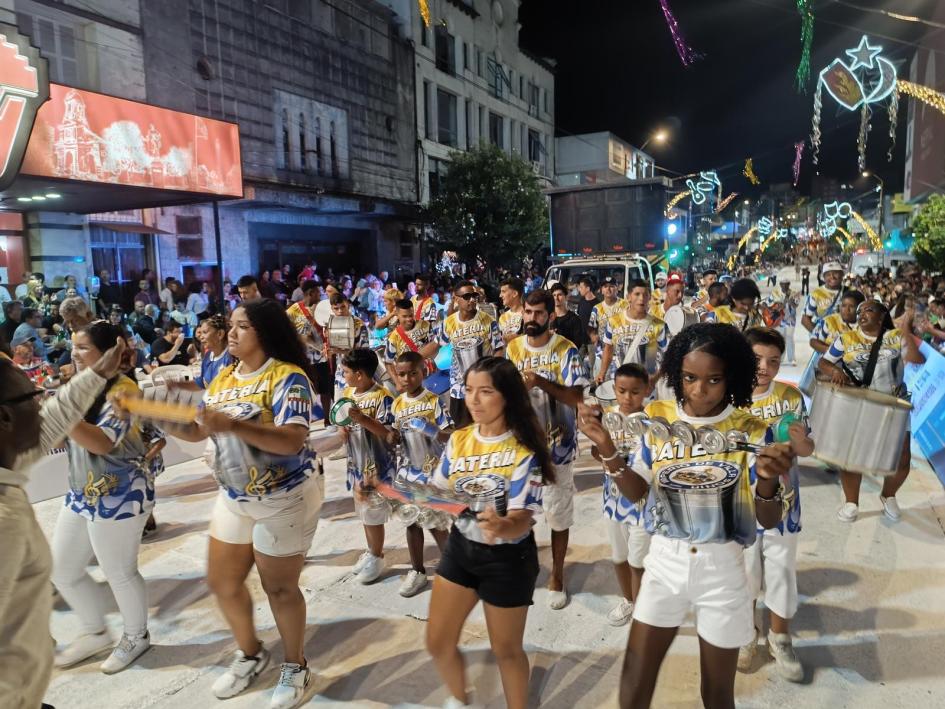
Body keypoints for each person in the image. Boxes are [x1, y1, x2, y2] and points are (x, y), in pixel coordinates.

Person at [577, 323, 794, 708]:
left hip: (724, 570)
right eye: (690, 377)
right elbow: (639, 492)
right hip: (663, 563)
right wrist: (608, 449)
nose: (699, 390)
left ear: (731, 378)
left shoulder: (751, 431)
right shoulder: (657, 418)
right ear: (677, 373)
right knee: (633, 686)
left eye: (714, 379)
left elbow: (770, 518)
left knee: (716, 695)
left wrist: (766, 482)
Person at [166, 298, 321, 707]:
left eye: (242, 327)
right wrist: (161, 418)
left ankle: (296, 665)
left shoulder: (289, 378)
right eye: (230, 326)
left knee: (280, 589)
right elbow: (202, 433)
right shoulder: (224, 378)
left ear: (265, 333)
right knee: (222, 582)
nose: (231, 334)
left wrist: (233, 424)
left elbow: (292, 439)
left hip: (283, 497)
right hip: (234, 497)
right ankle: (252, 652)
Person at [0, 336, 126, 707]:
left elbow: (56, 417)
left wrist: (99, 372)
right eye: (34, 399)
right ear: (4, 418)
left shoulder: (9, 458)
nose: (43, 405)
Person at [426, 357, 553, 709]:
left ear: (508, 397)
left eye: (485, 392)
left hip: (508, 560)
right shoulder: (459, 440)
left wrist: (503, 525)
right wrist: (385, 491)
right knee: (437, 641)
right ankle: (460, 699)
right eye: (468, 391)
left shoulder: (525, 452)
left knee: (507, 652)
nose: (474, 400)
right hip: (461, 550)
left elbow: (522, 519)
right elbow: (438, 494)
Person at [51, 321, 162, 674]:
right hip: (81, 492)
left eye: (83, 347)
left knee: (119, 571)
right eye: (74, 347)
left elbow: (101, 441)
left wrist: (61, 411)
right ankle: (94, 631)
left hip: (121, 492)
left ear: (109, 352)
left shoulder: (125, 389)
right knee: (63, 570)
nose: (75, 354)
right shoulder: (79, 387)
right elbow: (61, 438)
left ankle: (136, 635)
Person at [505, 289, 588, 609]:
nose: (532, 319)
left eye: (539, 313)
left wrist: (540, 381)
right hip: (520, 448)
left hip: (558, 448)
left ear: (551, 316)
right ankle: (525, 569)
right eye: (528, 312)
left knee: (557, 515)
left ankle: (557, 576)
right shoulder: (512, 348)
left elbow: (576, 398)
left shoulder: (565, 350)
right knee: (520, 512)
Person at [740, 328, 814, 681]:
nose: (764, 368)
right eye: (757, 360)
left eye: (773, 361)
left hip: (783, 501)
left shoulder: (790, 396)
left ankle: (780, 638)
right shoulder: (727, 394)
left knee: (781, 568)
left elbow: (808, 448)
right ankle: (745, 634)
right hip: (739, 501)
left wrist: (801, 444)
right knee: (745, 571)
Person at [819, 299, 924, 523]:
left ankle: (888, 495)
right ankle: (851, 502)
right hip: (859, 404)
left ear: (882, 314)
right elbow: (824, 362)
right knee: (852, 456)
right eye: (859, 311)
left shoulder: (894, 338)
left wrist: (905, 329)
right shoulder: (845, 339)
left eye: (869, 309)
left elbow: (917, 358)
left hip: (894, 405)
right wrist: (834, 371)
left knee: (902, 457)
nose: (861, 313)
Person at [390, 351, 452, 597]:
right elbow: (394, 434)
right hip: (407, 472)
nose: (407, 378)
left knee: (436, 525)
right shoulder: (397, 403)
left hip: (431, 472)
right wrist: (391, 437)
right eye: (402, 374)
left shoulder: (434, 401)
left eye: (412, 373)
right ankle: (417, 572)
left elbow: (450, 434)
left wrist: (431, 429)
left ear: (423, 372)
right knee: (411, 523)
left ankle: (452, 571)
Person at [595, 363, 650, 626]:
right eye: (622, 390)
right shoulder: (607, 417)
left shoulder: (653, 422)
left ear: (646, 390)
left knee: (638, 560)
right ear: (614, 390)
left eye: (635, 392)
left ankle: (641, 612)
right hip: (612, 500)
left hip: (642, 503)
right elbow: (597, 454)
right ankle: (628, 601)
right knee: (619, 556)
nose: (627, 398)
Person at [339, 348, 396, 584]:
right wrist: (343, 428)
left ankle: (377, 555)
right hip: (356, 462)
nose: (344, 376)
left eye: (346, 372)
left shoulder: (383, 397)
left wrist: (362, 419)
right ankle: (370, 549)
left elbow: (389, 434)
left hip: (376, 467)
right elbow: (342, 421)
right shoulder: (348, 393)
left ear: (360, 374)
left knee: (373, 513)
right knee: (362, 511)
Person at [420, 281, 504, 428]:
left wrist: (493, 375)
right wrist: (415, 358)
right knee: (461, 430)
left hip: (483, 385)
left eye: (474, 296)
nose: (472, 299)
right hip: (458, 388)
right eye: (466, 296)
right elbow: (436, 345)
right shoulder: (449, 323)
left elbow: (498, 349)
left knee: (485, 427)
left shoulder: (488, 321)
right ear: (456, 299)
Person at [595, 279, 669, 386]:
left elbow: (669, 356)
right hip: (622, 383)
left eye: (645, 295)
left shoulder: (659, 325)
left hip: (648, 386)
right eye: (637, 294)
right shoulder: (613, 322)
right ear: (628, 297)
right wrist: (602, 373)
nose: (641, 298)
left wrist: (655, 379)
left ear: (649, 297)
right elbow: (608, 348)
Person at [286, 280, 333, 424]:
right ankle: (306, 421)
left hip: (323, 358)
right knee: (306, 391)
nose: (321, 294)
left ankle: (327, 420)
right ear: (310, 293)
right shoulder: (292, 311)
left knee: (326, 389)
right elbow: (289, 333)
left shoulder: (324, 308)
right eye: (318, 292)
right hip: (304, 360)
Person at [327, 293, 370, 394]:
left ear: (348, 305)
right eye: (336, 308)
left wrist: (338, 350)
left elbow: (364, 353)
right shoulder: (332, 323)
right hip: (340, 373)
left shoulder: (359, 325)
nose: (340, 311)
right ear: (332, 309)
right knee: (339, 407)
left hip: (357, 373)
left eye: (343, 307)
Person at [383, 298, 434, 382]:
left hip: (432, 372)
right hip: (412, 381)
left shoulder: (425, 325)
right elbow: (388, 362)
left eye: (411, 315)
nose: (409, 319)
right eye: (404, 316)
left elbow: (435, 345)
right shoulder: (393, 338)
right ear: (397, 315)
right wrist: (397, 382)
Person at [809, 289, 864, 354]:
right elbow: (813, 341)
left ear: (860, 309)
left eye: (851, 306)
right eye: (843, 305)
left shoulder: (865, 325)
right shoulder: (829, 321)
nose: (846, 309)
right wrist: (834, 354)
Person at [800, 261, 844, 333]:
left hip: (846, 338)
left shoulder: (851, 291)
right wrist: (818, 335)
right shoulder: (816, 294)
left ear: (842, 275)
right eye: (828, 275)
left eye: (835, 273)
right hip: (825, 337)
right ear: (823, 277)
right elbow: (805, 319)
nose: (832, 277)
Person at [549, 281, 586, 348]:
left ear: (566, 297)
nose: (556, 298)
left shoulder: (574, 319)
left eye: (559, 295)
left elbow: (577, 344)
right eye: (554, 295)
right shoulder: (547, 318)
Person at [498, 277, 526, 343]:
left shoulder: (528, 313)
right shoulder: (502, 317)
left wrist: (516, 336)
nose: (500, 295)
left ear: (515, 294)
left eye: (503, 292)